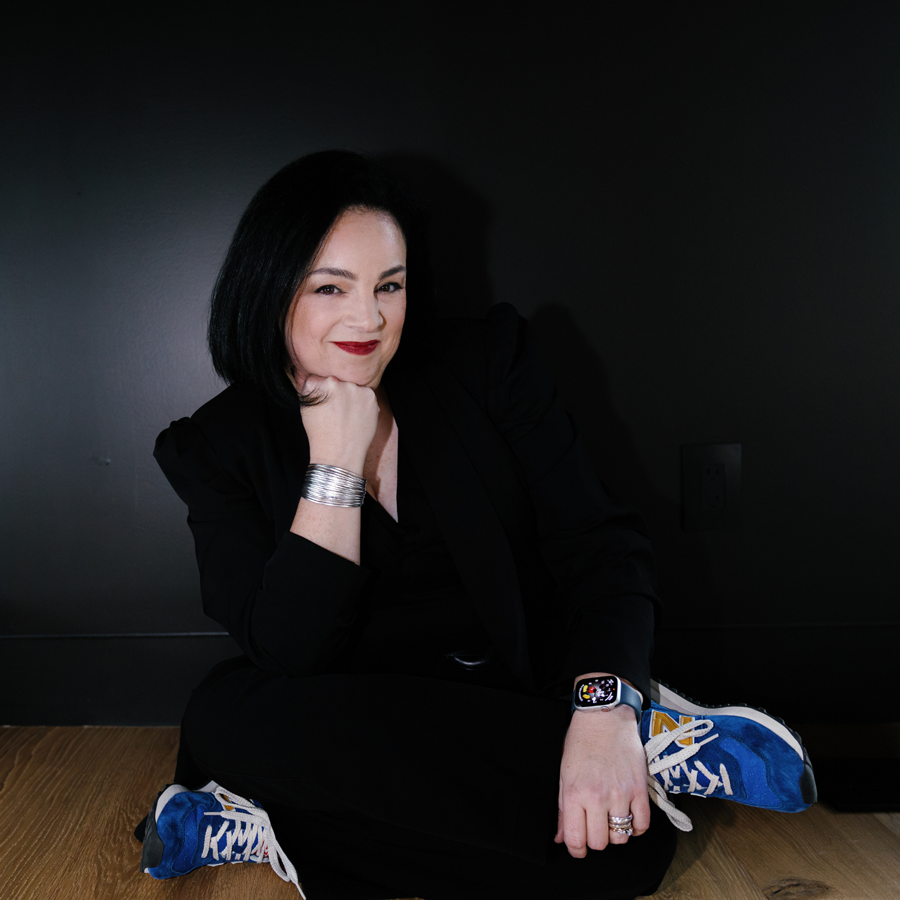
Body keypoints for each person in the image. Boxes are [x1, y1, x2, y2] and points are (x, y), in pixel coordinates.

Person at [136, 150, 815, 900]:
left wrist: (601, 711)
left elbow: (601, 548)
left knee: (625, 857)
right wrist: (334, 463)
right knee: (226, 714)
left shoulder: (488, 363)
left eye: (388, 285)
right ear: (269, 292)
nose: (369, 318)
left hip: (501, 700)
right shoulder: (214, 447)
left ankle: (273, 819)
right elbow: (289, 651)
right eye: (331, 287)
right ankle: (638, 758)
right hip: (339, 716)